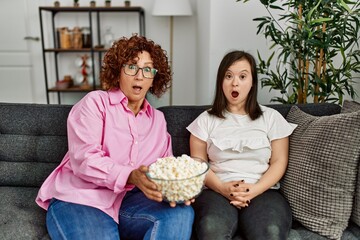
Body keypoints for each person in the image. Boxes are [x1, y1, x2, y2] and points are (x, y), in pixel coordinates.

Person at [36, 34, 194, 240]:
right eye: (131, 67)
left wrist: (176, 190)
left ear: (154, 78)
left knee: (180, 213)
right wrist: (130, 175)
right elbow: (85, 160)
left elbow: (164, 169)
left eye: (148, 69)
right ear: (117, 71)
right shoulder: (94, 104)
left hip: (128, 203)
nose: (139, 76)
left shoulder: (158, 120)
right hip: (81, 200)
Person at [187, 50, 297, 240]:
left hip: (263, 191)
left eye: (242, 76)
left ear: (252, 81)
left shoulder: (271, 118)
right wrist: (223, 188)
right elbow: (198, 163)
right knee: (211, 228)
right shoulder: (205, 120)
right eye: (228, 76)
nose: (234, 83)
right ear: (221, 81)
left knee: (270, 231)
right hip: (216, 191)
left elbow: (279, 161)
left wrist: (254, 189)